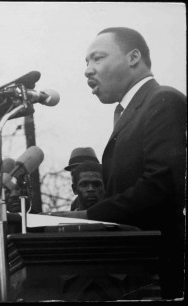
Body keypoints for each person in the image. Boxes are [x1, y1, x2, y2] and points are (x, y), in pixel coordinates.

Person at [50, 27, 186, 299]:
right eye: (86, 63)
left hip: (158, 272)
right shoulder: (126, 112)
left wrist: (88, 217)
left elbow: (161, 186)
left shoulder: (164, 100)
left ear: (133, 57)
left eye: (97, 58)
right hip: (130, 269)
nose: (88, 70)